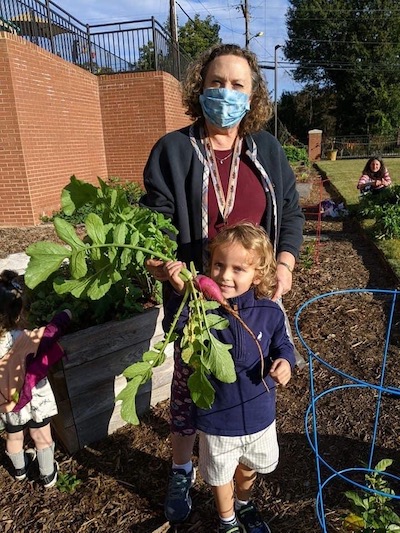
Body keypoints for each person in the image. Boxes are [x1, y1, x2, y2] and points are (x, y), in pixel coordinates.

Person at [140, 43, 304, 524]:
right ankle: (180, 472)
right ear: (200, 87)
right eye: (217, 82)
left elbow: (289, 214)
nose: (226, 93)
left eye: (238, 85)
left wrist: (286, 267)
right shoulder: (173, 150)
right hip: (196, 300)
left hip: (255, 303)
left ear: (253, 98)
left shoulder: (267, 151)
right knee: (190, 399)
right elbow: (154, 227)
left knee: (247, 391)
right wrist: (162, 266)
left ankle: (243, 490)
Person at [162, 222, 295, 533]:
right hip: (218, 419)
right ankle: (227, 520)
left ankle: (244, 504)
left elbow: (282, 343)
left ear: (259, 275)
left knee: (249, 468)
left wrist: (286, 362)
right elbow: (178, 330)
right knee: (220, 475)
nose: (224, 275)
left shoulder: (270, 311)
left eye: (238, 269)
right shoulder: (200, 308)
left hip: (261, 416)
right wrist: (181, 294)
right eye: (218, 265)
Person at [0, 270, 72, 488]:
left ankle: (20, 471)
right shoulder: (22, 338)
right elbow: (49, 333)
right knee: (41, 435)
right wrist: (66, 315)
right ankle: (48, 475)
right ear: (16, 315)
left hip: (8, 401)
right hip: (35, 398)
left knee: (14, 437)